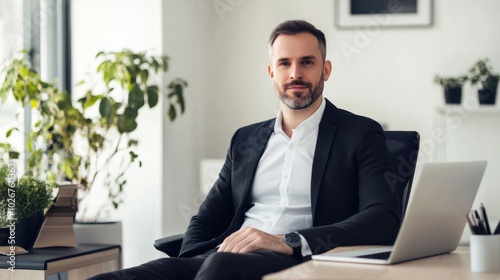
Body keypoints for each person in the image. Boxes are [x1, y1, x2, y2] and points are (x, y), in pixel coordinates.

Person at [89, 19, 401, 280]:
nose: (295, 73)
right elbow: (204, 220)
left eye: (307, 62)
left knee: (221, 267)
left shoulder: (359, 133)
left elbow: (382, 217)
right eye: (284, 63)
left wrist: (288, 241)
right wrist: (190, 263)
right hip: (220, 259)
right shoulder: (246, 140)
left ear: (326, 70)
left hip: (298, 261)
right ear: (271, 73)